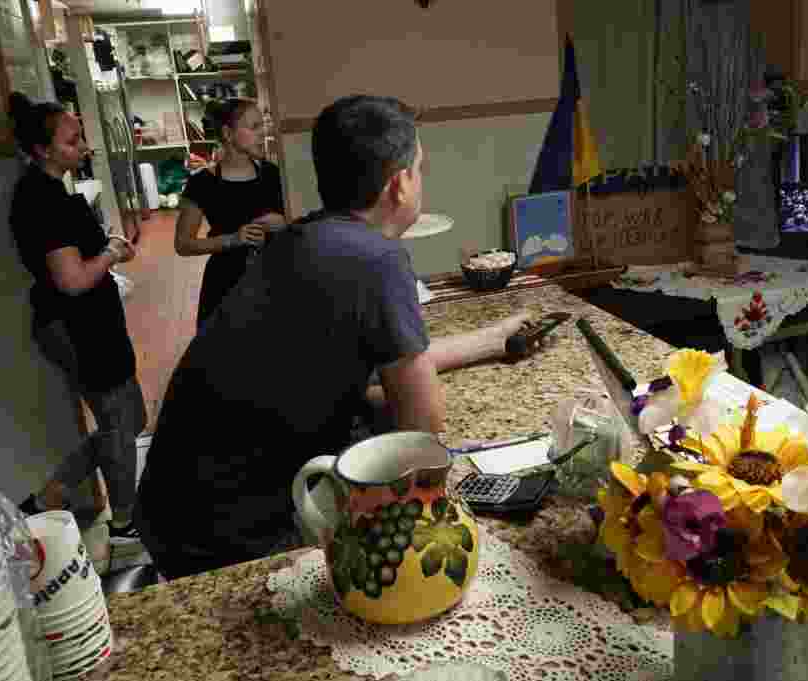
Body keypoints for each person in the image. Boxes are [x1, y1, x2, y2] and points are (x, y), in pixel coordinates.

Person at [134, 95, 535, 580]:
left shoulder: (302, 239)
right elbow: (421, 428)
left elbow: (372, 374)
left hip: (169, 508)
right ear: (401, 183)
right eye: (420, 168)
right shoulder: (376, 260)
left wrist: (495, 340)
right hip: (227, 536)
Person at [7, 92, 147, 543]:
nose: (84, 146)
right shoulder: (41, 200)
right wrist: (110, 252)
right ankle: (126, 524)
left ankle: (48, 495)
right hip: (77, 329)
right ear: (42, 150)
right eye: (72, 141)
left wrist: (101, 250)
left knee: (129, 421)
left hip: (94, 324)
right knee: (120, 426)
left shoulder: (51, 189)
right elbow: (70, 281)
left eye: (80, 136)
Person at [174, 98, 286, 329]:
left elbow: (302, 226)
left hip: (275, 279)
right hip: (226, 284)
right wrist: (233, 239)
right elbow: (183, 244)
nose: (262, 133)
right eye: (254, 127)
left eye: (262, 126)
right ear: (228, 133)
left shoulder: (273, 175)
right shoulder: (202, 184)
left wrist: (284, 223)